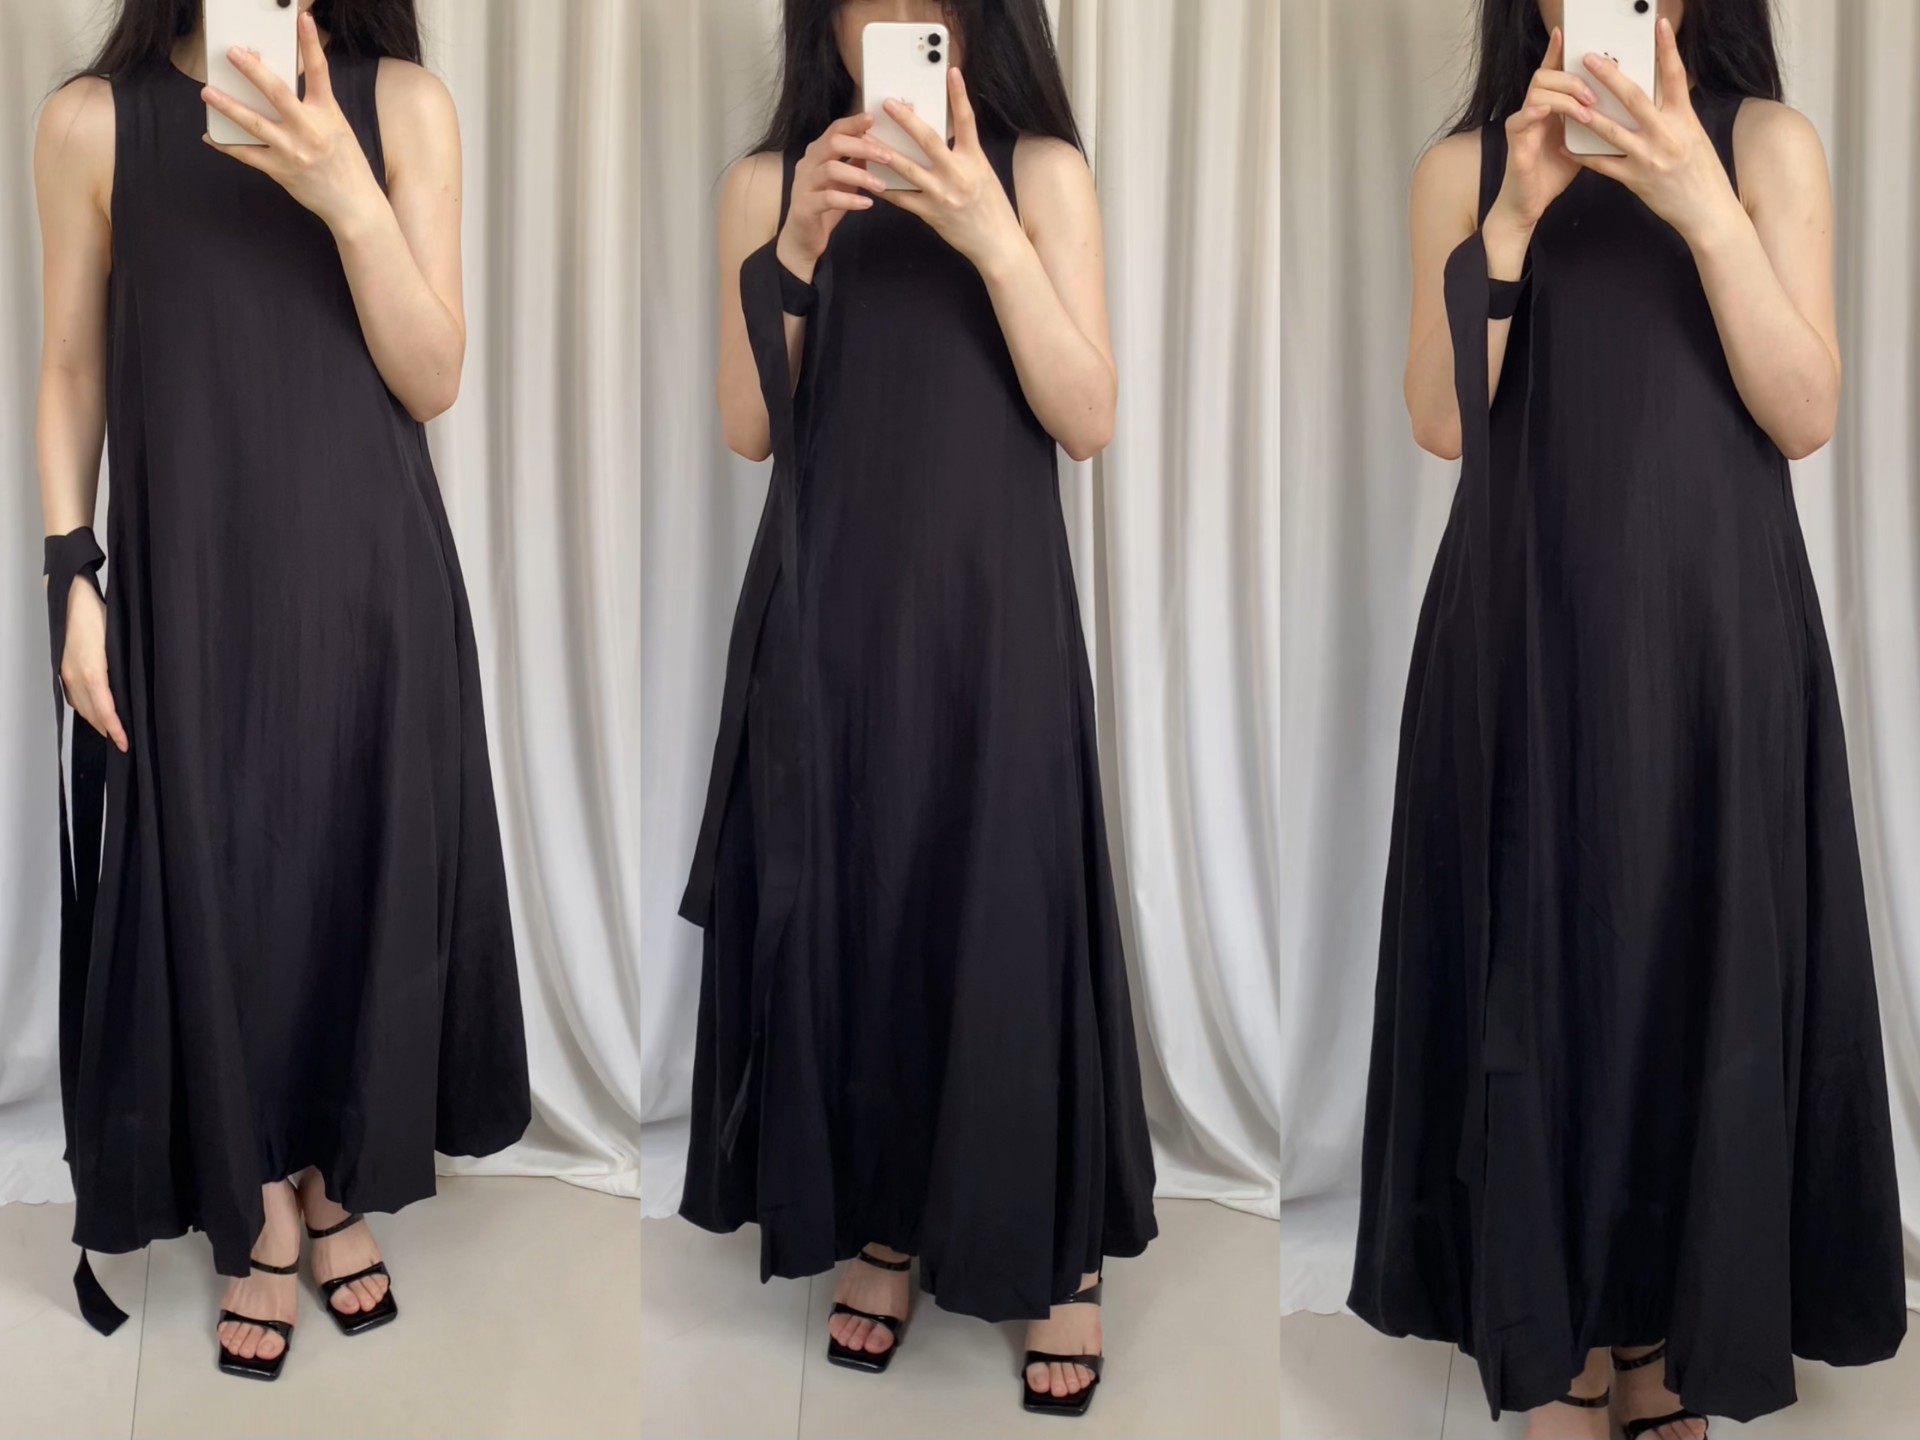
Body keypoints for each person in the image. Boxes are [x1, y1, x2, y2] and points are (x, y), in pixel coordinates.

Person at [1346, 2, 1905, 1437]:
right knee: (1541, 965)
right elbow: (1441, 420)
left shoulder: (1766, 146)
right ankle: (1564, 1341)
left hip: (1715, 638)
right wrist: (1515, 219)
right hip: (1518, 631)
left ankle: (1665, 1334)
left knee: (1689, 969)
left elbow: (1805, 411)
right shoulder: (1465, 167)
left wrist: (1698, 201)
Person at [34, 0, 529, 1381]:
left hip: (373, 581)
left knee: (350, 870)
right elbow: (69, 360)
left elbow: (432, 376)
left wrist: (341, 189)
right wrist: (72, 574)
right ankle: (254, 1193)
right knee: (222, 878)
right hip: (189, 586)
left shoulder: (403, 107)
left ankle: (330, 1175)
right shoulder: (91, 123)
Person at [677, 0, 1157, 1417]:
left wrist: (986, 229)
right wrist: (797, 249)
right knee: (863, 901)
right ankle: (882, 1217)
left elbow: (1088, 415)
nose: (894, 15)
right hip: (831, 608)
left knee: (1004, 900)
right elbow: (750, 427)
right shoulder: (768, 185)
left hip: (992, 609)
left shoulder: (1042, 172)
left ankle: (1056, 1245)